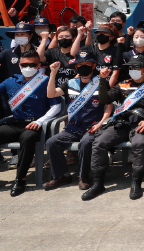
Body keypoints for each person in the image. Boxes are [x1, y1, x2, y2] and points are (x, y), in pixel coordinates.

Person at [81, 55, 144, 201]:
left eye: (136, 67)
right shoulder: (123, 84)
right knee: (99, 142)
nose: (133, 70)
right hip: (122, 123)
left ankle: (136, 183)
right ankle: (98, 183)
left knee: (139, 143)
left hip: (141, 123)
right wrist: (102, 80)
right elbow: (104, 99)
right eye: (131, 67)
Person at [44, 51, 112, 191]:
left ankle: (84, 177)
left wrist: (100, 124)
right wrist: (52, 73)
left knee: (85, 143)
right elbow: (51, 94)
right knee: (52, 142)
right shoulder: (71, 83)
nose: (83, 67)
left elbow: (109, 107)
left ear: (94, 66)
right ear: (76, 67)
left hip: (93, 127)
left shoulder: (101, 82)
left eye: (87, 64)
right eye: (80, 65)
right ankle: (62, 176)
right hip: (73, 127)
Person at [0, 50, 62, 196]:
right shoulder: (11, 81)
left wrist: (40, 121)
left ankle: (20, 179)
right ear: (19, 65)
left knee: (27, 138)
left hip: (36, 124)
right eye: (25, 64)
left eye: (32, 64)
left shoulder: (46, 81)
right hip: (15, 123)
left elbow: (56, 106)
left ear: (39, 65)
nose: (28, 67)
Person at [72, 23, 121, 88]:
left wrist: (107, 90)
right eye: (99, 32)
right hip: (89, 85)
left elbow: (115, 73)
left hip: (105, 84)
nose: (101, 35)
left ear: (112, 37)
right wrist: (79, 35)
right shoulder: (90, 48)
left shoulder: (116, 51)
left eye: (104, 33)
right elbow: (74, 53)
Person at [38, 26, 77, 91]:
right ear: (57, 39)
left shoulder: (78, 54)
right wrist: (44, 39)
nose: (64, 38)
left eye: (67, 36)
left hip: (72, 90)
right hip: (53, 90)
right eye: (61, 37)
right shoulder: (52, 52)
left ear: (73, 38)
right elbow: (39, 58)